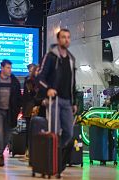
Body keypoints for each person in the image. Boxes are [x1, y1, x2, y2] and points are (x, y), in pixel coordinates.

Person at [37, 28, 77, 171]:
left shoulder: (71, 59)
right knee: (54, 132)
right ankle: (52, 164)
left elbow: (73, 82)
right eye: (63, 37)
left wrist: (74, 102)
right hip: (54, 100)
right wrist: (48, 89)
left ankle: (56, 156)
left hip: (67, 101)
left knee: (69, 133)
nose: (66, 39)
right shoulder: (50, 56)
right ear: (58, 40)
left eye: (68, 37)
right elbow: (39, 78)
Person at [22, 63, 37, 154]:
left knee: (35, 128)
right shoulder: (27, 81)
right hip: (28, 108)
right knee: (29, 129)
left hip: (36, 107)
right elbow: (25, 97)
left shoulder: (39, 80)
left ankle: (34, 148)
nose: (31, 72)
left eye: (32, 70)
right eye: (29, 71)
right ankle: (28, 148)